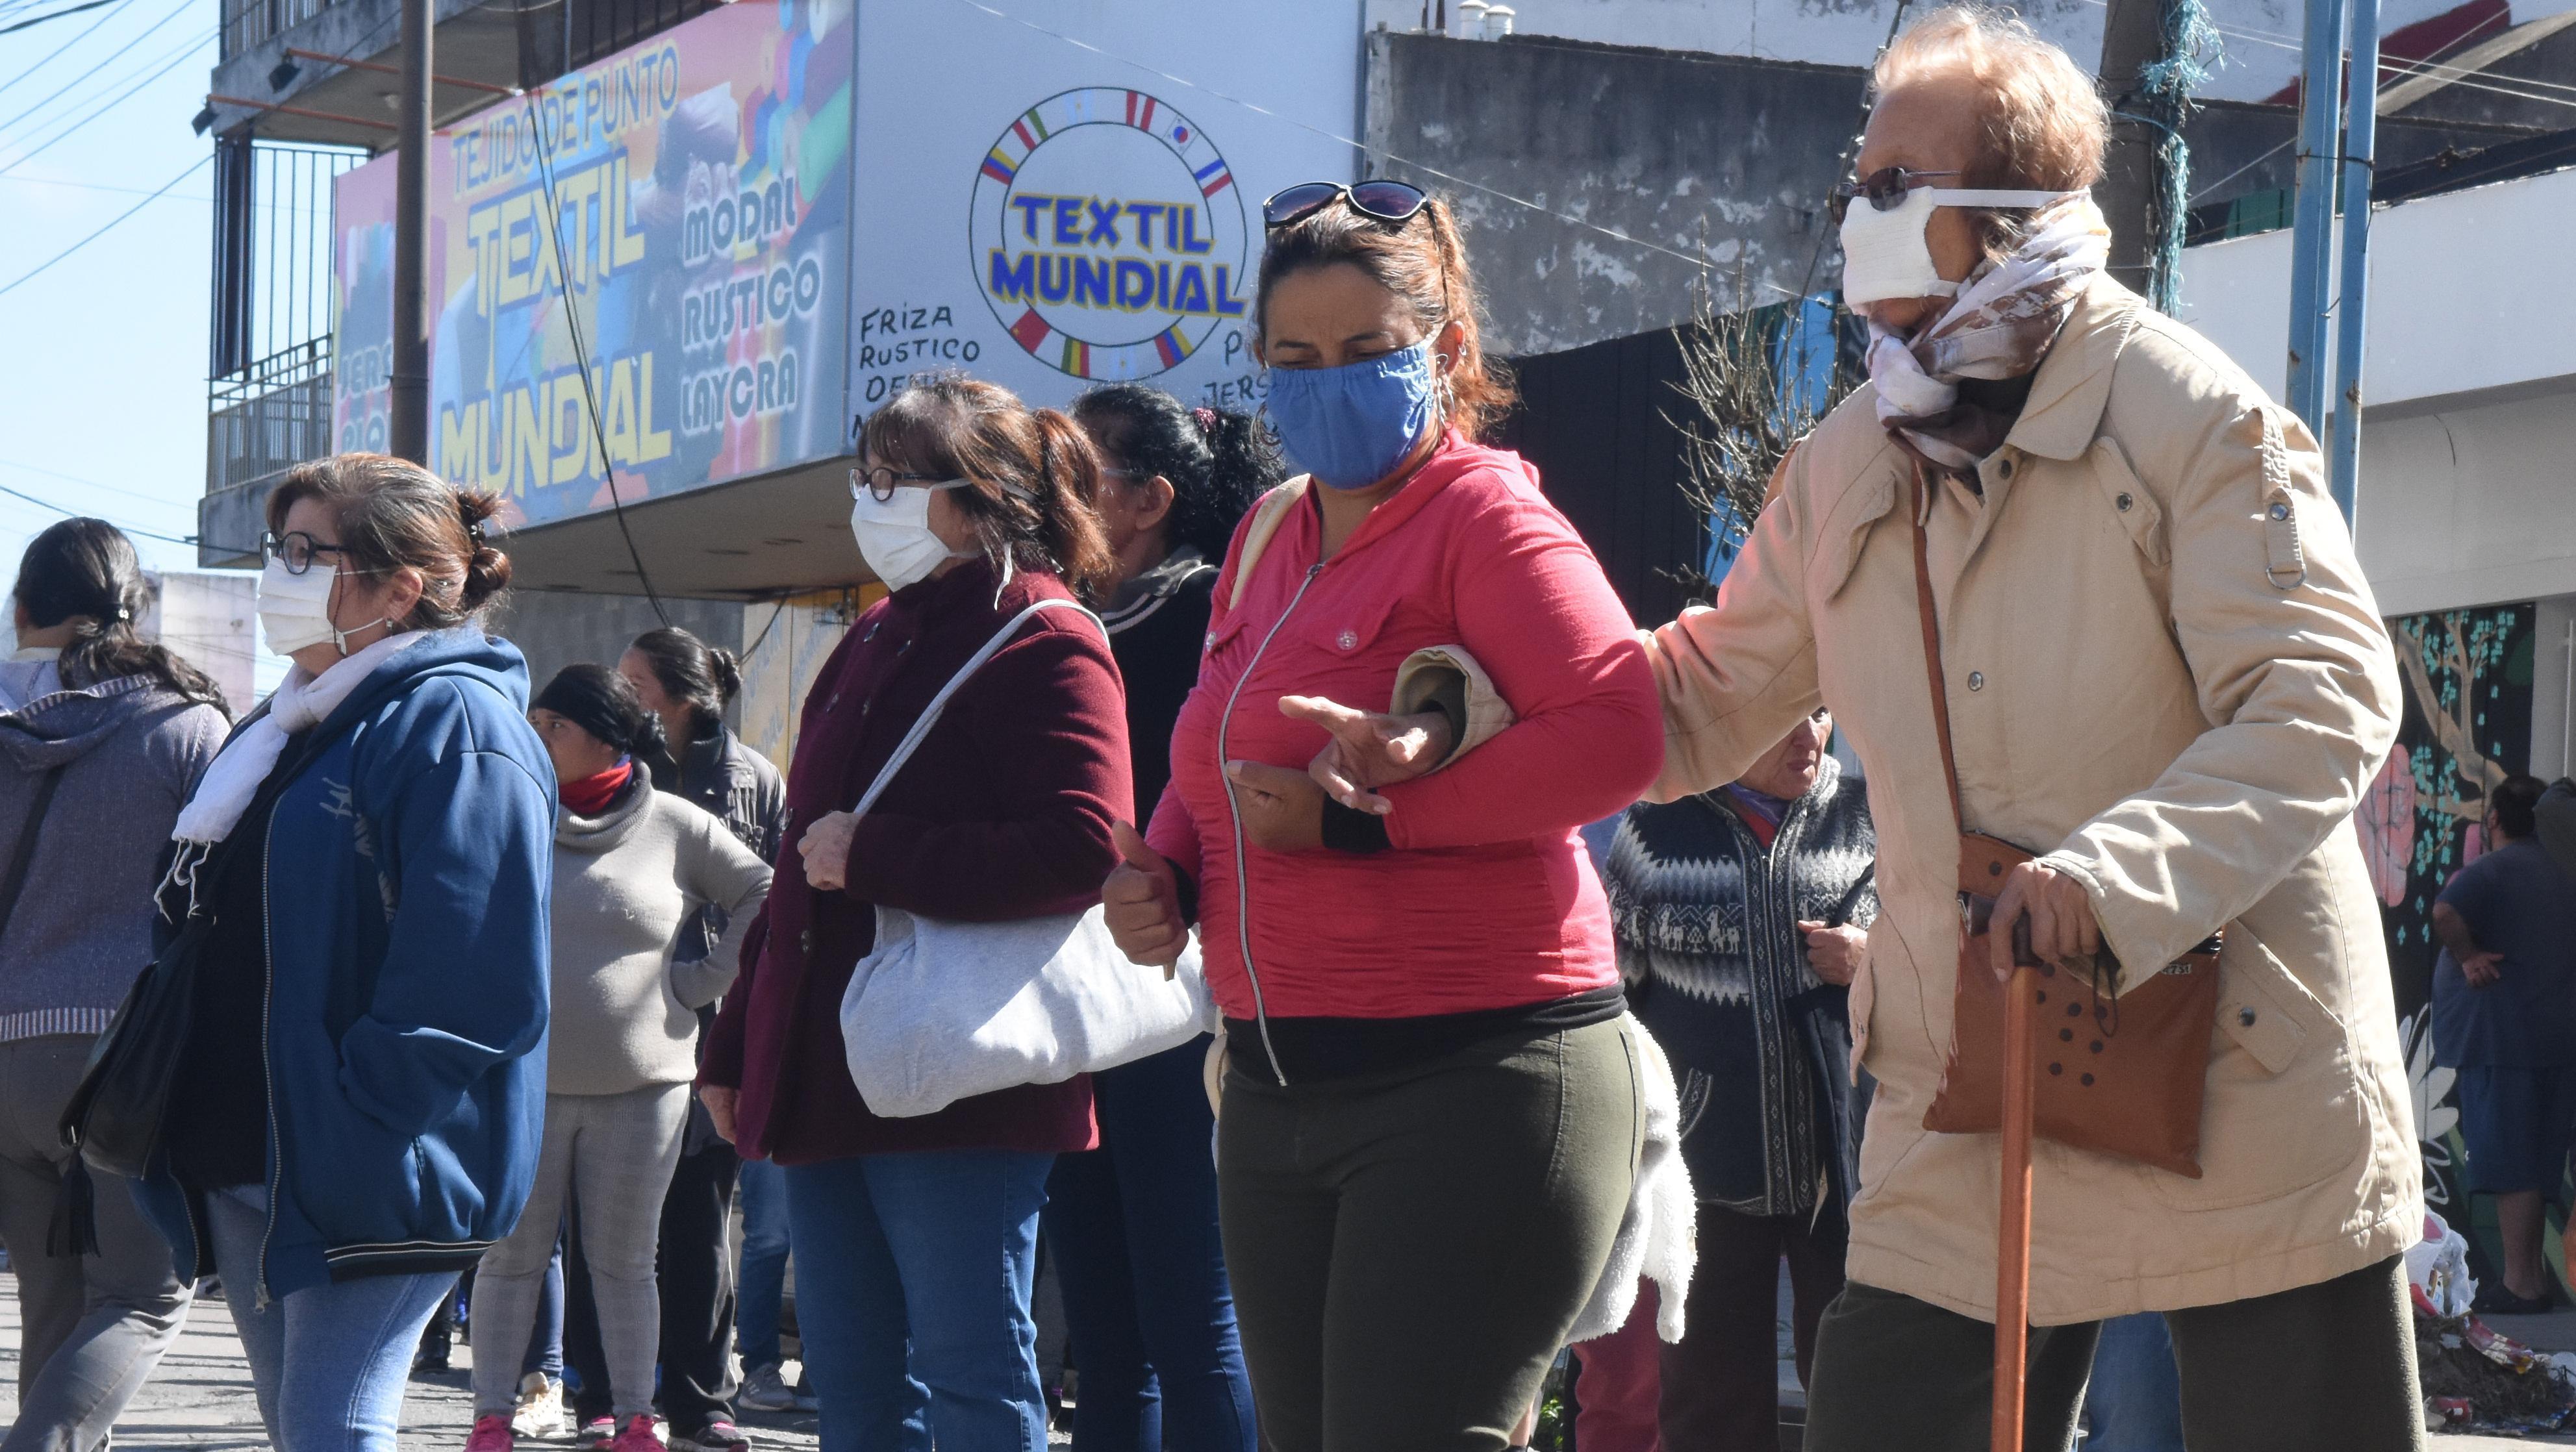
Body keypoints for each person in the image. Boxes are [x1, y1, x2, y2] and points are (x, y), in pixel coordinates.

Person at [1637, 9, 2419, 1449]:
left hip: (2242, 1070)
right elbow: (1695, 695)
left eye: (1888, 186)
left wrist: (2114, 879)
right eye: (1851, 186)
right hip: (1967, 1084)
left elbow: (2326, 692)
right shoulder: (1848, 456)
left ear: (1998, 218)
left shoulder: (2189, 414)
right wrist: (1471, 709)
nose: (1852, 215)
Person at [1100, 179, 1663, 1451]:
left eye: (1365, 353)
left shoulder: (1488, 519)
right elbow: (1216, 746)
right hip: (1275, 1086)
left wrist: (1370, 825)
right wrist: (1172, 876)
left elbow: (1621, 734)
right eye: (1293, 359)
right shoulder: (1263, 533)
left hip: (1474, 1078)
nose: (1325, 384)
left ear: (1447, 350)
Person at [698, 374, 1130, 1452]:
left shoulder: (1044, 632)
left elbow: (1084, 844)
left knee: (971, 1374)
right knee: (855, 1383)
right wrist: (735, 1035)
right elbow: (801, 860)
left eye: (894, 479)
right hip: (837, 1069)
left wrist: (880, 855)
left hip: (962, 1077)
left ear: (978, 496)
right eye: (867, 474)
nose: (869, 498)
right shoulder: (875, 632)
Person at [131, 453, 555, 1452]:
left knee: (331, 1426)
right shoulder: (289, 722)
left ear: (397, 589)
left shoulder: (456, 722)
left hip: (371, 1156)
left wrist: (358, 1108)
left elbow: (474, 975)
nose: (277, 575)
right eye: (279, 550)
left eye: (302, 553)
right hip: (254, 1148)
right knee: (299, 1426)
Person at [1044, 384, 1275, 1452]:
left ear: (1150, 502)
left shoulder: (1212, 619)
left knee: (1191, 1305)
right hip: (1069, 995)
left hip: (1179, 994)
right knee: (1100, 1316)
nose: (1055, 497)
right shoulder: (1059, 622)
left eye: (1080, 476)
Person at [468, 664, 772, 1452]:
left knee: (628, 1262)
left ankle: (640, 1419)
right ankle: (491, 1419)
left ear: (605, 737)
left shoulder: (674, 823)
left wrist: (702, 981)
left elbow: (762, 890)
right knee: (511, 1259)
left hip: (646, 1088)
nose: (535, 738)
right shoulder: (510, 813)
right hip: (520, 1083)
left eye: (553, 726)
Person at [0, 521, 227, 1452]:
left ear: (22, 611)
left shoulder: (7, 734)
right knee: (140, 1296)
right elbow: (220, 901)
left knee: (51, 1304)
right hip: (124, 1058)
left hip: (7, 1058)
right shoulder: (186, 728)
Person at [1602, 708, 1875, 1451]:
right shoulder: (1656, 832)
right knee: (1707, 1405)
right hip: (1703, 1174)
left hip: (1850, 1168)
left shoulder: (1868, 820)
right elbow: (1610, 1007)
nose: (1809, 736)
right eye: (1781, 717)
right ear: (1727, 722)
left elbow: (1944, 965)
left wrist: (1869, 960)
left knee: (1859, 1397)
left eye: (1819, 713)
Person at [555, 629, 787, 1452]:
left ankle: (699, 1398)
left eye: (635, 680)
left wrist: (709, 982)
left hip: (707, 1038)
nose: (622, 693)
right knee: (596, 1225)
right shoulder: (592, 773)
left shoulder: (749, 779)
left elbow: (771, 895)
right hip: (606, 1036)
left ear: (680, 695)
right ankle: (598, 1397)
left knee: (698, 1224)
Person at [2431, 774, 2576, 1314]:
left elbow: (2445, 912)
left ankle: (2521, 1282)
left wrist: (2468, 957)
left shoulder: (2495, 869)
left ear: (2494, 821)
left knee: (2513, 1163)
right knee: (2538, 1165)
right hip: (2553, 1038)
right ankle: (2531, 1277)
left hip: (2502, 1041)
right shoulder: (2565, 870)